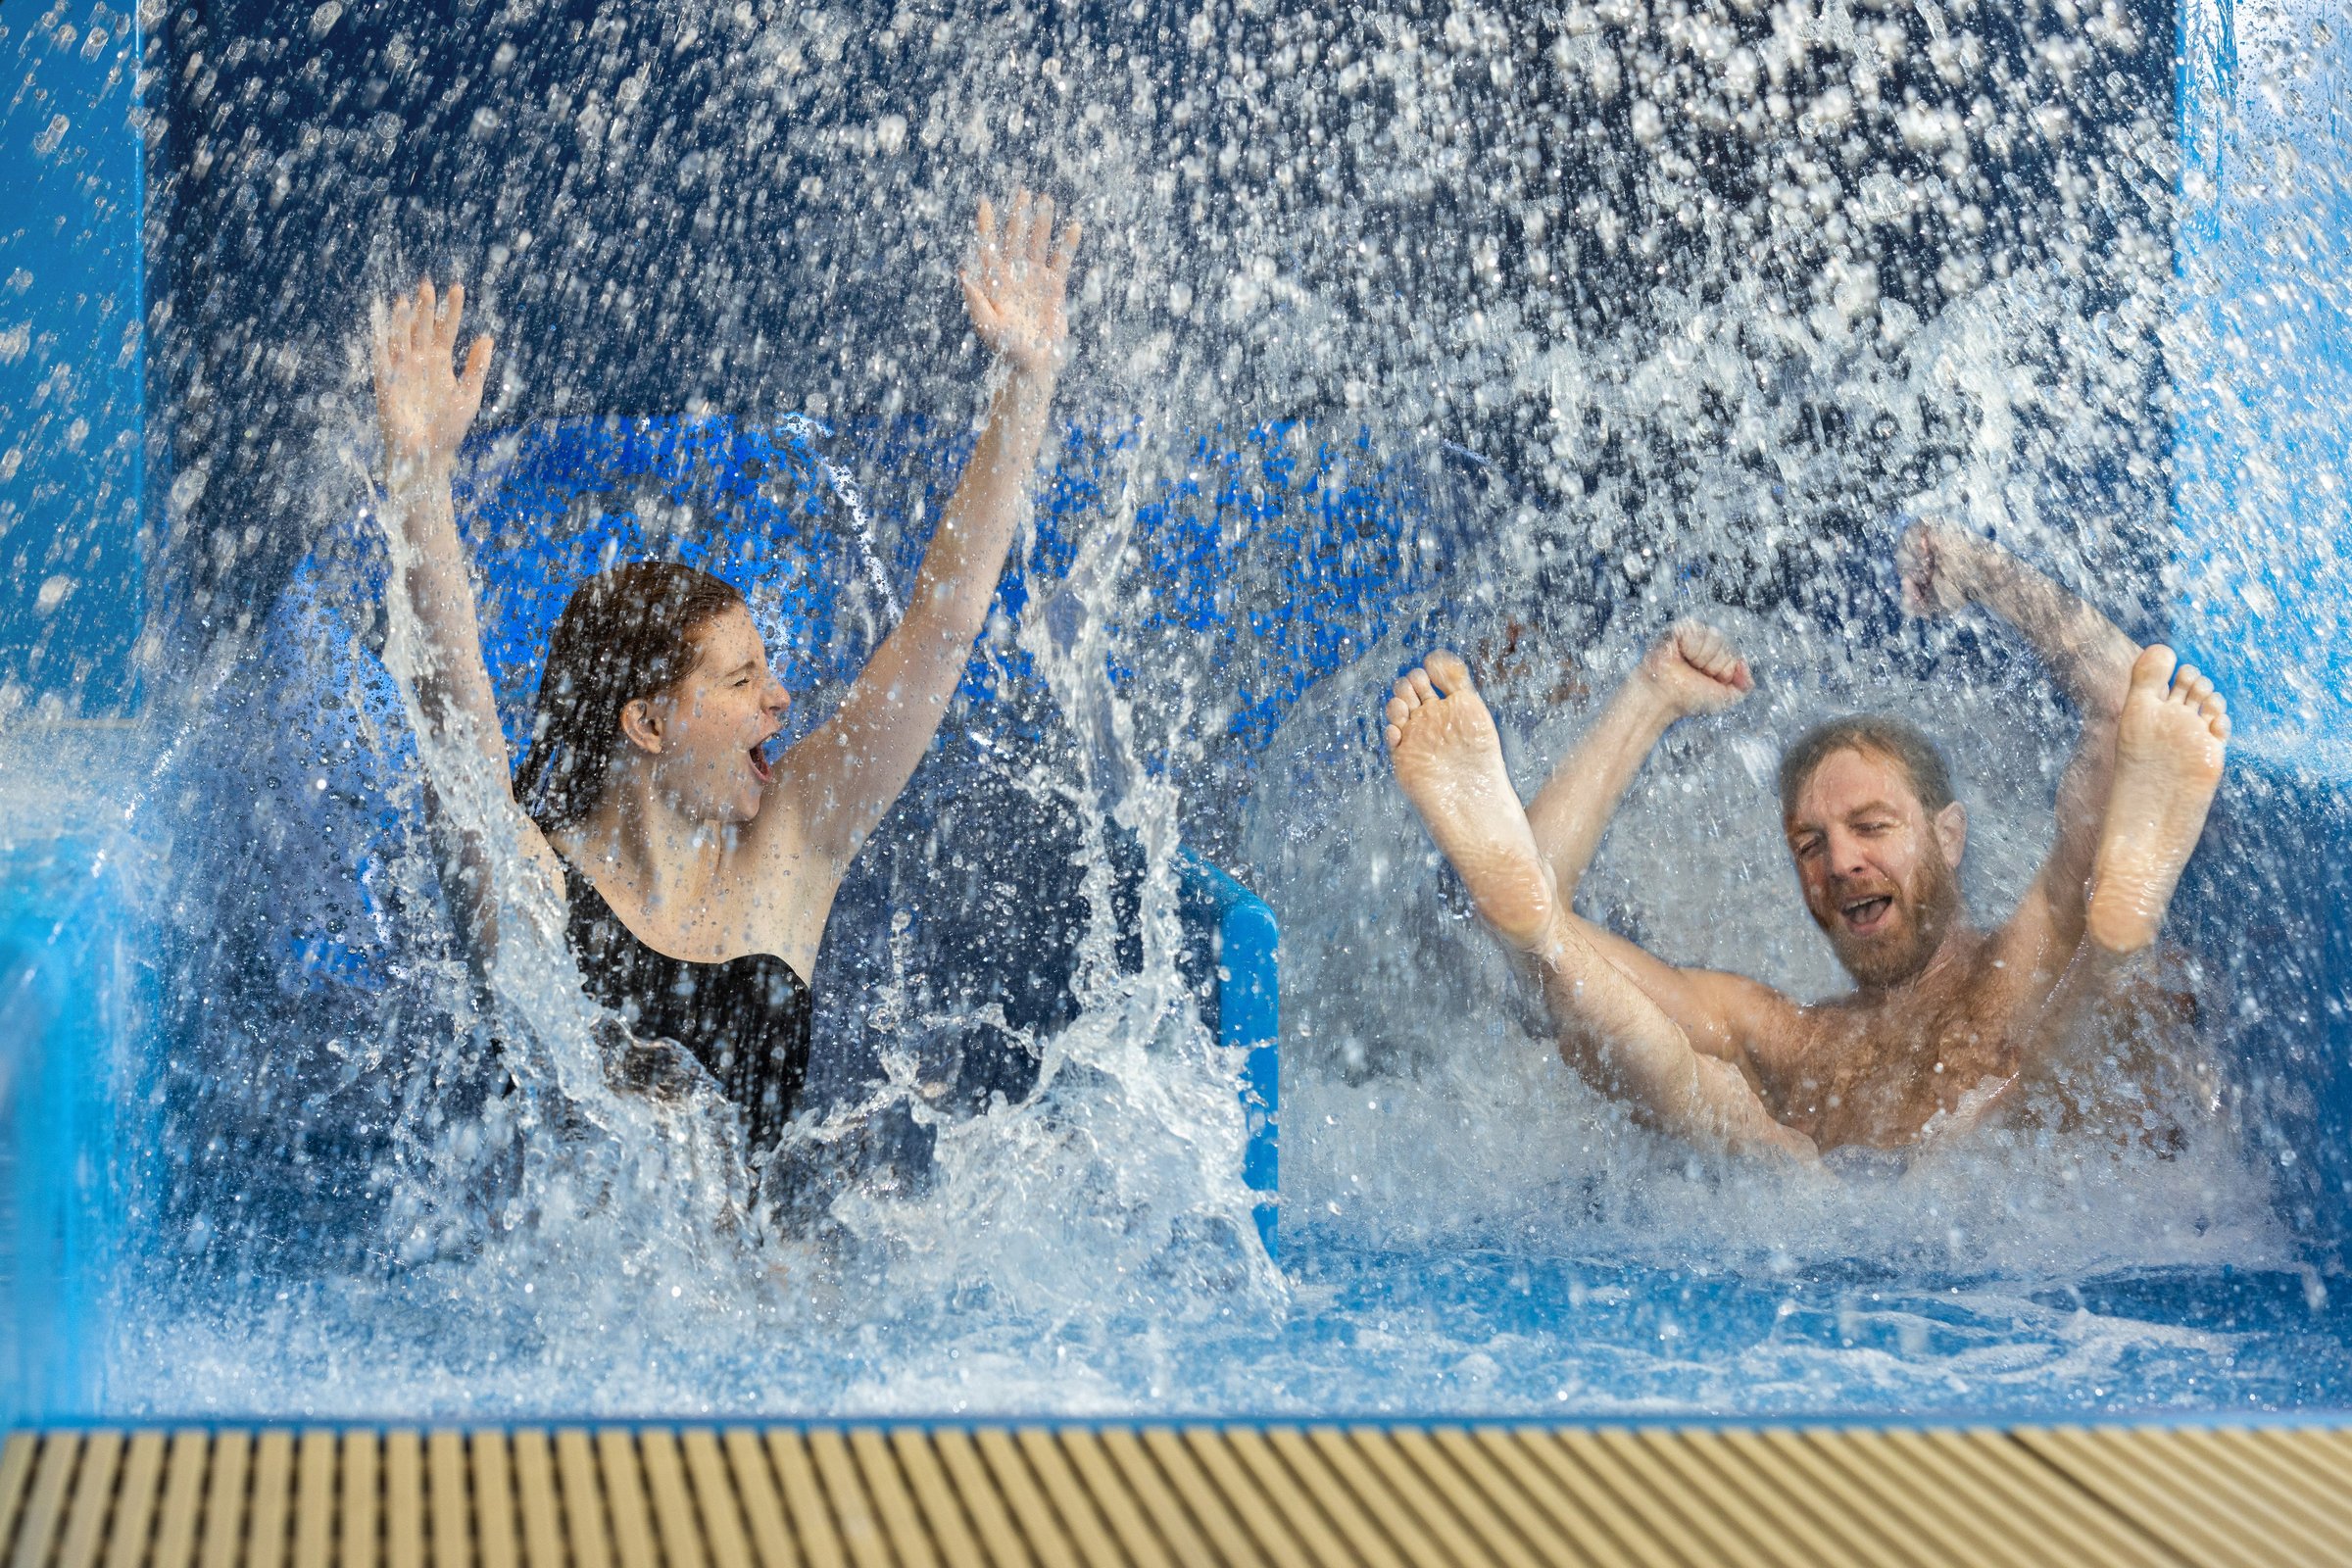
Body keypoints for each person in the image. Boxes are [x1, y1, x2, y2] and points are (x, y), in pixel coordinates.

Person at [368, 191, 1080, 1169]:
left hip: (782, 1300)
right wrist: (419, 478)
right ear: (649, 722)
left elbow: (942, 628)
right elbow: (459, 726)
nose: (780, 701)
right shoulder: (535, 888)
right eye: (743, 678)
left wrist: (1024, 388)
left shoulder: (791, 843)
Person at [1384, 525, 2230, 1165]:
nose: (1840, 863)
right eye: (1808, 844)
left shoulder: (2020, 959)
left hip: (1993, 1181)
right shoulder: (1794, 1039)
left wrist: (1986, 573)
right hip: (1861, 1222)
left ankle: (2118, 944)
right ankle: (2119, 948)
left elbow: (2129, 709)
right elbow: (1542, 888)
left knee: (2032, 1090)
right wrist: (1649, 698)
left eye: (1871, 826)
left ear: (1949, 835)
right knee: (1709, 1103)